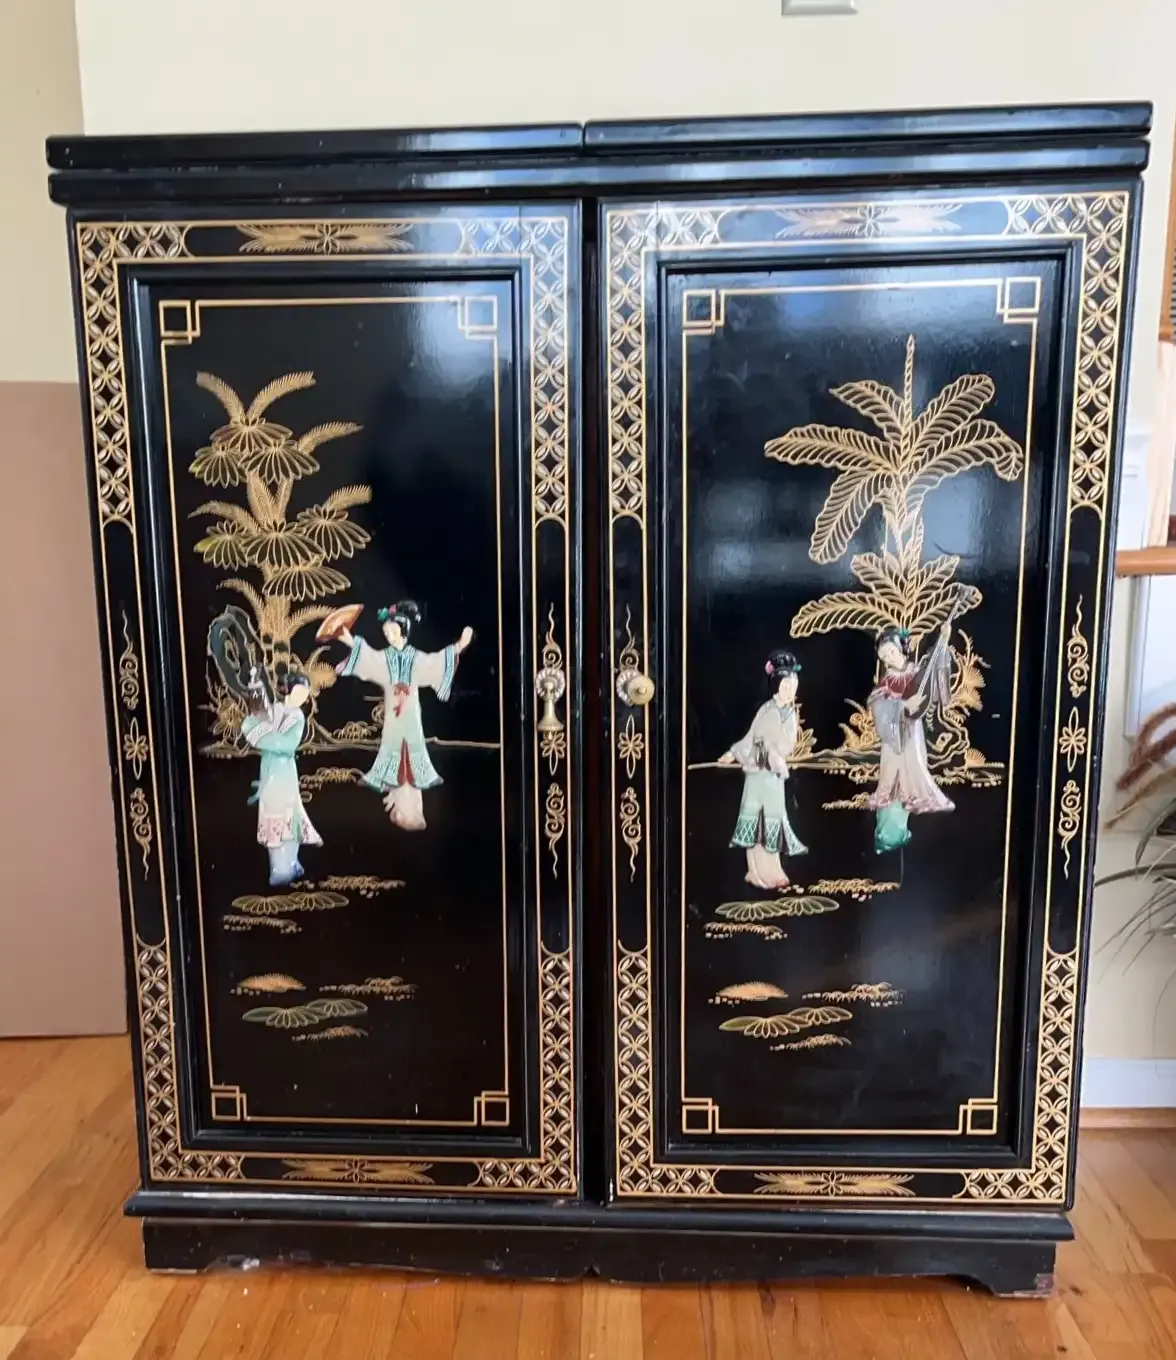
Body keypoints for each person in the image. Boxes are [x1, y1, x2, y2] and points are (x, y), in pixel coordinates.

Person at [334, 600, 474, 830]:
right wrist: (346, 638)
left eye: (392, 631)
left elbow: (435, 662)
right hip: (393, 716)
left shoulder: (415, 658)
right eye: (386, 633)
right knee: (395, 756)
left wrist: (459, 646)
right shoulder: (385, 658)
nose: (389, 636)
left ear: (403, 630)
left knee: (412, 760)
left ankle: (412, 811)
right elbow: (369, 657)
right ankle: (399, 809)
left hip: (410, 714)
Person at [717, 650, 808, 890]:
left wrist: (774, 753)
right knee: (754, 820)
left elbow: (788, 742)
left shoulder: (789, 713)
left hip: (772, 772)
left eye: (793, 687)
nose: (790, 691)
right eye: (786, 686)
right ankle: (754, 871)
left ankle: (773, 870)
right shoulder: (766, 709)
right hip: (757, 772)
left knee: (771, 820)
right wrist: (733, 753)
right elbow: (751, 737)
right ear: (776, 685)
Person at [867, 624, 955, 853]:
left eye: (891, 651)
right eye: (884, 656)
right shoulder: (887, 681)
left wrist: (943, 642)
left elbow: (934, 672)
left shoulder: (917, 672)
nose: (889, 658)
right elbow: (878, 706)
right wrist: (903, 706)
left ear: (902, 648)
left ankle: (900, 831)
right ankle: (887, 835)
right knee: (891, 783)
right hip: (893, 738)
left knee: (910, 775)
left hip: (912, 734)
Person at [240, 667, 322, 885]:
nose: (302, 697)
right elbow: (253, 724)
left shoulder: (297, 717)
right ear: (289, 689)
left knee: (289, 816)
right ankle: (279, 867)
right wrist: (257, 729)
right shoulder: (275, 709)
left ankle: (289, 864)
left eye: (305, 694)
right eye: (299, 692)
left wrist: (263, 735)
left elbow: (287, 745)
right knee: (272, 817)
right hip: (270, 769)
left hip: (285, 770)